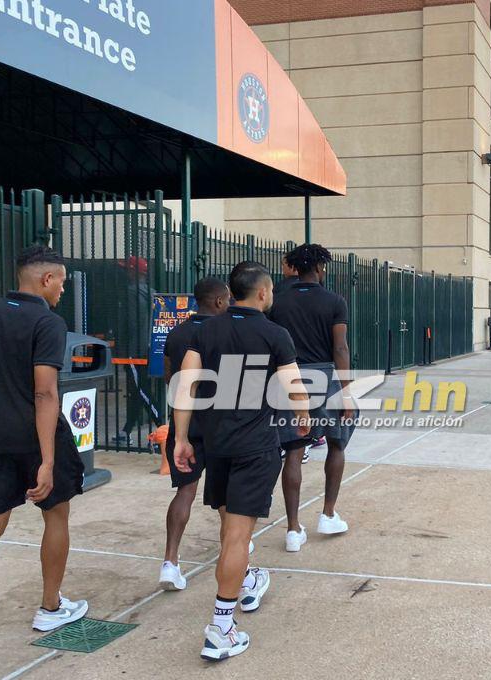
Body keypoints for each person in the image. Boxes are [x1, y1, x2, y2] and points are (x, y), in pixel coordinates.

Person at [0, 246, 88, 672]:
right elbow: (45, 392)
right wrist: (46, 459)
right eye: (61, 281)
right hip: (39, 437)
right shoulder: (47, 321)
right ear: (45, 280)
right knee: (56, 515)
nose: (63, 288)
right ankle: (50, 606)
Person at [172, 261, 309, 661]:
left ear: (231, 294)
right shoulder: (274, 334)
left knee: (231, 524)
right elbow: (295, 386)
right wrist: (304, 421)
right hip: (255, 446)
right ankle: (222, 627)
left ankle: (246, 579)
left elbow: (186, 386)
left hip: (216, 445)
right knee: (237, 535)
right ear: (263, 293)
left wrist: (181, 438)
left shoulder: (205, 329)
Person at [267, 244, 356, 553]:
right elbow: (340, 348)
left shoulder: (277, 301)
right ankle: (328, 514)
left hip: (288, 377)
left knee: (294, 451)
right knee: (337, 443)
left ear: (294, 267)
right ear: (320, 268)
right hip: (325, 377)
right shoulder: (334, 301)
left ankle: (293, 530)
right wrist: (346, 391)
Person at [158, 277, 230, 591]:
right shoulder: (227, 332)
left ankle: (170, 562)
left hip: (184, 424)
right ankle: (235, 550)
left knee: (185, 491)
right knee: (227, 497)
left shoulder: (176, 333)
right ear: (217, 301)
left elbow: (171, 379)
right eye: (227, 299)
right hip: (219, 424)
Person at [273, 256, 323, 461]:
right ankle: (310, 440)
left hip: (285, 362)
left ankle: (291, 443)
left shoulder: (278, 294)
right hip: (318, 366)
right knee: (307, 410)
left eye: (284, 263)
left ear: (293, 266)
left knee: (287, 412)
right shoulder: (330, 298)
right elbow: (339, 345)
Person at [115, 256, 160, 446]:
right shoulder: (152, 293)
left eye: (127, 269)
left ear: (134, 272)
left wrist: (121, 346)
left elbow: (128, 324)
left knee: (140, 390)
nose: (124, 272)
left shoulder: (130, 293)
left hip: (133, 350)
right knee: (136, 391)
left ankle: (163, 425)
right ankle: (126, 430)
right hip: (149, 349)